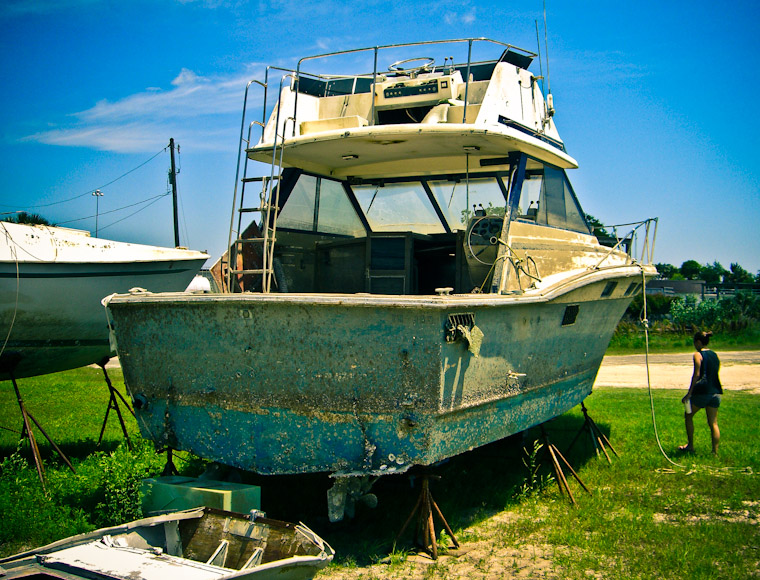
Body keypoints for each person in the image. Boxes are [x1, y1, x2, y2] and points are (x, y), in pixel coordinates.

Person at [680, 330, 722, 454]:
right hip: (716, 391)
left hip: (702, 391)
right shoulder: (715, 354)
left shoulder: (697, 355)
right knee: (713, 422)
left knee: (688, 415)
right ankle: (715, 452)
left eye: (695, 343)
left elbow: (697, 374)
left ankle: (690, 446)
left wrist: (689, 393)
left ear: (698, 342)